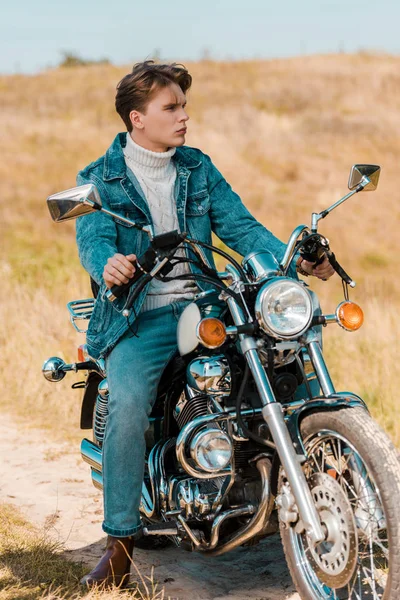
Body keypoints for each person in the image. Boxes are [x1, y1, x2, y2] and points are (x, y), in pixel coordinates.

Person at [75, 60, 334, 588]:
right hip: (138, 315)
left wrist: (292, 259)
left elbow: (239, 225)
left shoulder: (196, 168)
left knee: (286, 354)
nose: (184, 117)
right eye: (171, 108)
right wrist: (108, 264)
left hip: (208, 305)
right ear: (137, 118)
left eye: (185, 106)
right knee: (127, 403)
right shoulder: (98, 179)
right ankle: (120, 543)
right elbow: (93, 238)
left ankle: (329, 478)